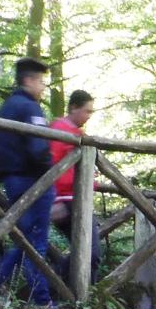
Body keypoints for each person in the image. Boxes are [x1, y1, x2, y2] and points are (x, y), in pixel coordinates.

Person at [0, 57, 56, 308]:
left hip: (12, 180)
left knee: (26, 238)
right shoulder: (30, 108)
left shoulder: (8, 106)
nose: (43, 87)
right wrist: (51, 171)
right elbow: (38, 148)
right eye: (41, 82)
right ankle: (42, 303)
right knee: (36, 241)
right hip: (33, 181)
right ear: (29, 80)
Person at [48, 89, 103, 285]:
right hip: (65, 201)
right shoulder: (59, 130)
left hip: (79, 200)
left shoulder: (78, 134)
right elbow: (50, 166)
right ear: (73, 107)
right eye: (87, 111)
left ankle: (81, 299)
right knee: (90, 253)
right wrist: (53, 199)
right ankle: (56, 289)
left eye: (91, 112)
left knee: (88, 253)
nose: (89, 116)